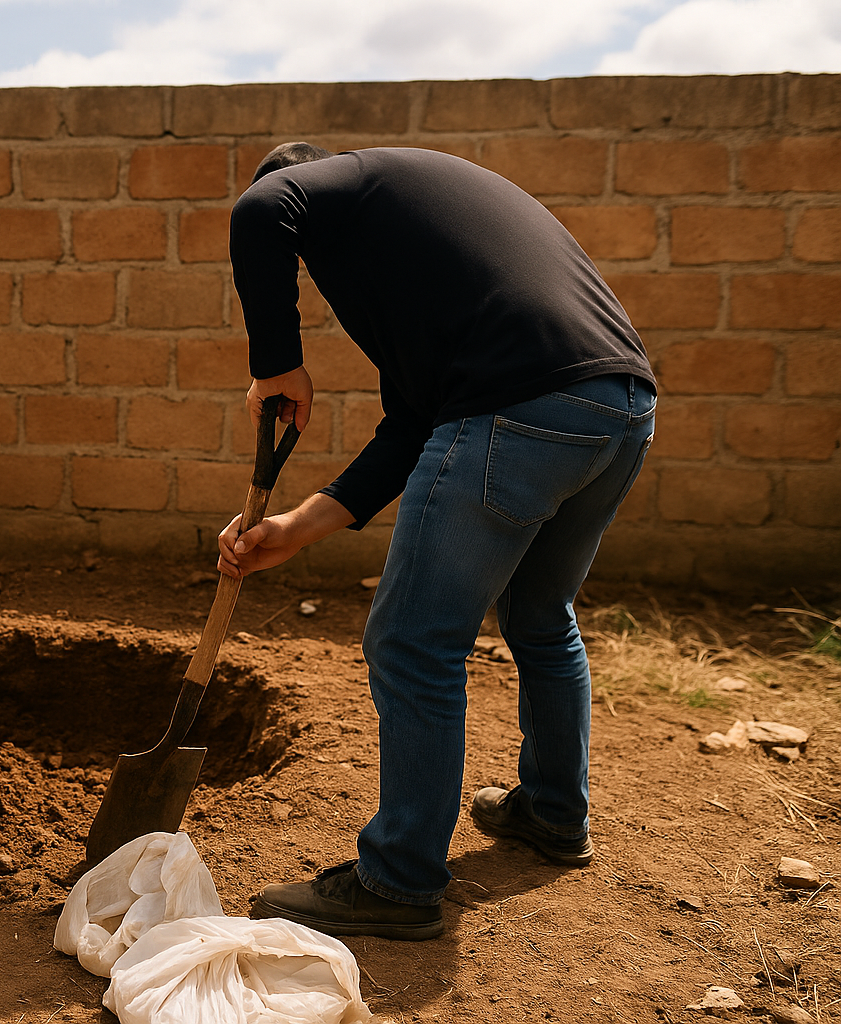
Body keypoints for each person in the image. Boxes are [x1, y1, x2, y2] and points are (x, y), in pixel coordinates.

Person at [217, 143, 656, 941]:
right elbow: (412, 428)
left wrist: (277, 364)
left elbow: (258, 214)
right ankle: (554, 814)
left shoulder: (337, 187)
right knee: (538, 612)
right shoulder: (423, 252)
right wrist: (294, 528)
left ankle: (399, 879)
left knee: (414, 640)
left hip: (522, 407)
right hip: (618, 405)